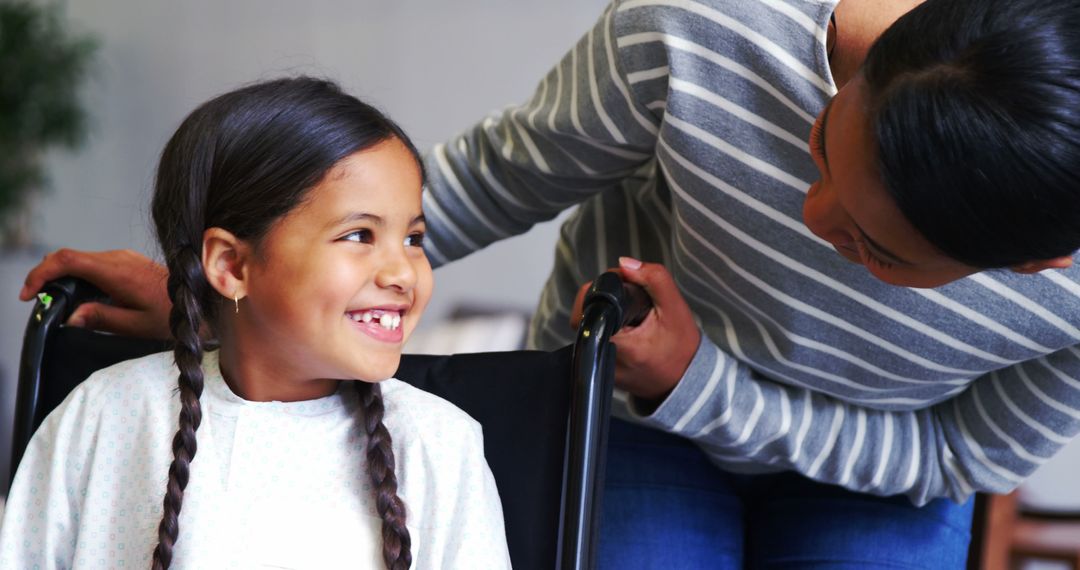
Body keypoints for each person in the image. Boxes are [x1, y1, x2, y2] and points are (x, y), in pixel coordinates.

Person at [18, 0, 1080, 567]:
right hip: (630, 420)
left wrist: (705, 384)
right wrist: (236, 298)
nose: (812, 216)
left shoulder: (435, 459)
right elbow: (488, 180)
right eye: (819, 149)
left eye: (874, 251)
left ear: (1039, 265)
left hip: (882, 480)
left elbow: (961, 455)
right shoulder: (702, 29)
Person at [2, 77, 511, 569]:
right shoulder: (103, 417)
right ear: (231, 266)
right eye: (358, 235)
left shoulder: (441, 446)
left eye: (413, 239)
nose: (404, 272)